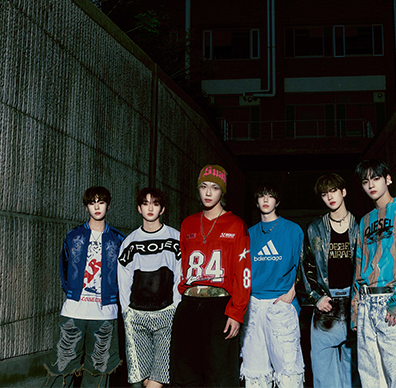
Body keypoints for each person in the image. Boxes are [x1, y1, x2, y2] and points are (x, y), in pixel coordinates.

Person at [170, 164, 251, 387]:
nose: (208, 192)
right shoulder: (188, 223)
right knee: (184, 372)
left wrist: (236, 312)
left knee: (220, 375)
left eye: (214, 188)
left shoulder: (236, 225)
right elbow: (182, 266)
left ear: (222, 192)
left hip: (220, 307)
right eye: (203, 186)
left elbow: (243, 273)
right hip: (189, 305)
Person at [351, 159, 396, 388]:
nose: (371, 185)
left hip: (391, 298)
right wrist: (355, 308)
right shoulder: (365, 220)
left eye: (376, 179)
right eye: (365, 181)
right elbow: (359, 264)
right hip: (366, 301)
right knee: (370, 375)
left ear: (388, 179)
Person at [45, 186, 125, 387]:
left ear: (108, 205)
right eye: (92, 203)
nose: (97, 207)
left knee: (99, 369)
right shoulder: (73, 236)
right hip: (74, 310)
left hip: (105, 311)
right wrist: (73, 293)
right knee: (61, 366)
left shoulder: (118, 239)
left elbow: (123, 275)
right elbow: (64, 268)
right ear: (86, 207)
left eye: (101, 202)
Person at [241, 183, 305, 387]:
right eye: (262, 196)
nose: (266, 199)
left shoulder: (292, 230)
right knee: (254, 373)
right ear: (256, 202)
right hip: (253, 305)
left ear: (277, 201)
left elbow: (303, 265)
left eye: (270, 196)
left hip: (280, 303)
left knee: (289, 372)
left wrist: (291, 293)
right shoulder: (249, 234)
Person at [118, 188, 182, 388]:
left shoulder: (175, 238)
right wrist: (126, 310)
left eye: (155, 204)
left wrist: (175, 307)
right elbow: (123, 279)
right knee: (141, 377)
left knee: (160, 375)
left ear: (162, 209)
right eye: (145, 204)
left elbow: (181, 274)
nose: (150, 208)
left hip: (166, 313)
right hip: (136, 315)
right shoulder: (130, 242)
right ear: (139, 208)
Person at [301, 173, 360, 388]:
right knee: (323, 369)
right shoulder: (315, 228)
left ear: (343, 192)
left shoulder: (360, 226)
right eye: (324, 194)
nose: (330, 197)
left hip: (354, 303)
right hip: (327, 304)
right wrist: (316, 297)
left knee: (353, 370)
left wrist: (360, 297)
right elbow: (306, 266)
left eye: (333, 191)